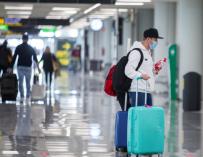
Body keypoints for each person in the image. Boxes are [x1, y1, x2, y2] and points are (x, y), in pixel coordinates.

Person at [124, 28, 163, 107]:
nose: (156, 42)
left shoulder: (148, 53)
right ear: (148, 39)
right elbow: (128, 70)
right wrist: (141, 76)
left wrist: (155, 71)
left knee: (147, 116)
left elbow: (147, 72)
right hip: (137, 90)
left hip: (147, 90)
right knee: (140, 117)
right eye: (155, 40)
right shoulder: (137, 52)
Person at [10, 33, 40, 102]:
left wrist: (10, 67)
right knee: (28, 82)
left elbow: (14, 57)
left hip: (20, 67)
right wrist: (38, 68)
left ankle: (22, 95)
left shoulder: (18, 47)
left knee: (20, 82)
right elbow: (35, 58)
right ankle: (28, 95)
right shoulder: (31, 48)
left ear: (22, 39)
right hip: (28, 67)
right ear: (28, 39)